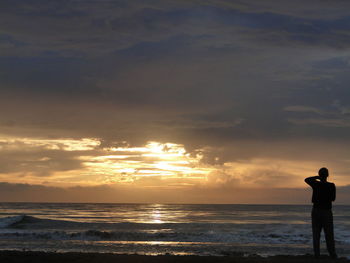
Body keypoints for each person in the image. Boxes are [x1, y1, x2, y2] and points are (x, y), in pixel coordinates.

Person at [305, 167, 337, 259]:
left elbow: (306, 179)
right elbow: (333, 199)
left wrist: (316, 177)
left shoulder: (315, 183)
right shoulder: (331, 185)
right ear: (328, 175)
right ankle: (332, 254)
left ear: (320, 175)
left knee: (316, 234)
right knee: (329, 234)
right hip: (326, 211)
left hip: (316, 211)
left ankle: (317, 255)